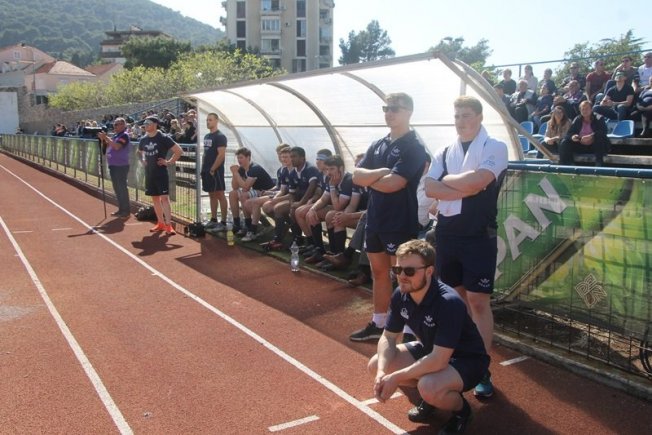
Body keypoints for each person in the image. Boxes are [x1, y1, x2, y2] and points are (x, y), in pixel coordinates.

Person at [424, 96, 508, 398]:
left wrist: (447, 181)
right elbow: (429, 187)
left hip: (478, 234)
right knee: (455, 300)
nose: (461, 121)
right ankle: (460, 357)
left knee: (478, 302)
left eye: (467, 115)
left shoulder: (494, 147)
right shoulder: (445, 151)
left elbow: (478, 181)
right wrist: (463, 185)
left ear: (480, 117)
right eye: (457, 115)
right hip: (447, 233)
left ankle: (481, 368)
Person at [367, 239, 489, 433]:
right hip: (432, 350)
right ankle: (432, 397)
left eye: (409, 271)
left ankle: (462, 412)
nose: (402, 276)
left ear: (429, 271)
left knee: (429, 386)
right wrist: (382, 372)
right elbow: (388, 337)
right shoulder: (401, 294)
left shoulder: (448, 302)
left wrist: (396, 378)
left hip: (467, 360)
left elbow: (439, 360)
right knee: (376, 363)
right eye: (398, 270)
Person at [350, 92, 427, 342]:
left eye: (395, 108)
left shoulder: (414, 147)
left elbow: (394, 183)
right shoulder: (378, 144)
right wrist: (381, 173)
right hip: (375, 219)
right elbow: (356, 176)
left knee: (404, 276)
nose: (389, 113)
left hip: (399, 220)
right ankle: (379, 322)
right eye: (386, 108)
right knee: (378, 272)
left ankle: (410, 330)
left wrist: (371, 178)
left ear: (409, 112)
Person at [137, 116, 183, 235]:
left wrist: (169, 162)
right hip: (149, 173)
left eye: (148, 123)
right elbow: (139, 152)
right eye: (145, 123)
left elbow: (179, 151)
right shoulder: (143, 139)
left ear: (155, 124)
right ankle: (160, 223)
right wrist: (143, 160)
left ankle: (168, 225)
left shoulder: (163, 137)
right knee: (155, 199)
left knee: (164, 198)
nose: (146, 125)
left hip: (161, 173)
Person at [242, 144, 292, 242]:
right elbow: (279, 187)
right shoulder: (281, 170)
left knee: (260, 204)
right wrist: (268, 192)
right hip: (279, 194)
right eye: (279, 155)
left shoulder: (291, 170)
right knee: (248, 202)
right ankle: (259, 226)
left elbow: (286, 191)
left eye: (284, 156)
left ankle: (254, 230)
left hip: (286, 196)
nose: (281, 158)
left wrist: (273, 196)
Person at [228, 147, 276, 239]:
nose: (239, 160)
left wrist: (236, 174)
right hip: (255, 191)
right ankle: (237, 224)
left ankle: (250, 226)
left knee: (243, 195)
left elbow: (246, 187)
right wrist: (235, 173)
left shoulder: (254, 168)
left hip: (266, 192)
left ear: (248, 157)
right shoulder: (242, 169)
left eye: (241, 158)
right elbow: (235, 187)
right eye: (238, 158)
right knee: (232, 194)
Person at [560, 100, 611, 166]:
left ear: (591, 109)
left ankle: (599, 163)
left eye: (587, 108)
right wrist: (573, 137)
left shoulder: (599, 118)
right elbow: (569, 133)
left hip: (595, 146)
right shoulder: (577, 119)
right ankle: (569, 164)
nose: (584, 111)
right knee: (564, 142)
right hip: (581, 145)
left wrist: (591, 136)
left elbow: (603, 131)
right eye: (582, 109)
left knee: (599, 137)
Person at [98, 117, 131, 218]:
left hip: (121, 165)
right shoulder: (116, 135)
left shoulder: (124, 135)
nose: (115, 126)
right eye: (114, 124)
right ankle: (121, 209)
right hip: (113, 165)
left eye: (117, 124)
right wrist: (103, 140)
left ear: (123, 125)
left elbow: (117, 147)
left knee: (122, 188)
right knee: (117, 188)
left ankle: (126, 211)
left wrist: (106, 138)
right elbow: (106, 148)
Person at [201, 113, 229, 230]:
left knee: (220, 194)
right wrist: (204, 169)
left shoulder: (220, 136)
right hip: (206, 170)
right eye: (207, 120)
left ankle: (223, 222)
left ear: (216, 121)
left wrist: (213, 168)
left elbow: (221, 155)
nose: (208, 122)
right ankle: (213, 219)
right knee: (211, 194)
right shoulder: (207, 136)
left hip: (216, 171)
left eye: (210, 120)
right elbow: (205, 153)